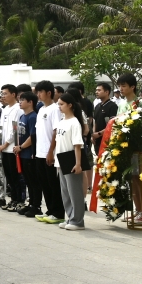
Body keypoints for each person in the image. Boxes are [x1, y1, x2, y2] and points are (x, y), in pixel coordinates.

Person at [33, 80, 65, 224]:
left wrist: (51, 151)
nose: (38, 95)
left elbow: (55, 131)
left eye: (41, 92)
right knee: (44, 183)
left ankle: (58, 212)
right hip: (40, 152)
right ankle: (50, 210)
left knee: (53, 183)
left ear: (49, 93)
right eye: (37, 92)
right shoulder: (40, 109)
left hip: (49, 152)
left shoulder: (55, 109)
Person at [55, 92, 87, 230]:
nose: (59, 107)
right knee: (65, 192)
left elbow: (77, 145)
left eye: (61, 104)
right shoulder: (62, 121)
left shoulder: (74, 122)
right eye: (58, 104)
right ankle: (70, 217)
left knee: (75, 192)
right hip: (60, 160)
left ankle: (78, 221)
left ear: (70, 105)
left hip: (71, 160)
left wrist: (78, 163)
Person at [0, 84, 23, 210]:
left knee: (15, 176)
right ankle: (13, 199)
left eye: (5, 93)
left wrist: (6, 144)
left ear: (13, 94)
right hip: (4, 148)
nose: (3, 96)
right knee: (9, 176)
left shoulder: (18, 109)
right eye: (2, 93)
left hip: (12, 148)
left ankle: (19, 200)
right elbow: (2, 128)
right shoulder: (5, 109)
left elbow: (15, 130)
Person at [16, 90, 40, 218]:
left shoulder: (33, 117)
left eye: (22, 100)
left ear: (30, 102)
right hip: (22, 153)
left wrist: (21, 147)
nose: (19, 102)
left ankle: (36, 205)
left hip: (29, 154)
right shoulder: (22, 116)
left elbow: (32, 136)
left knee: (33, 181)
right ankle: (30, 203)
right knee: (27, 181)